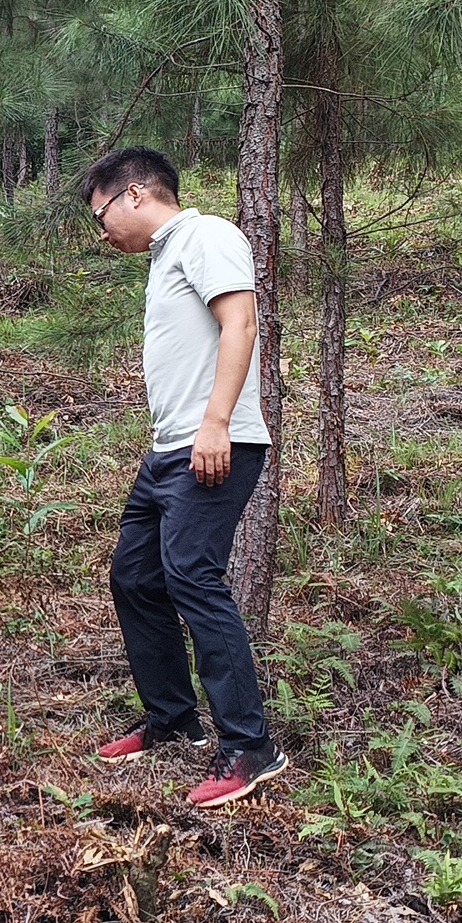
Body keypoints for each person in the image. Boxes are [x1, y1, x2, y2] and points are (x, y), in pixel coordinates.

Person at [82, 145, 287, 807]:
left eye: (101, 214)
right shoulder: (165, 257)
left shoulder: (206, 235)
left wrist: (217, 422)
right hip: (168, 451)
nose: (102, 231)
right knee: (135, 575)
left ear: (134, 195)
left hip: (212, 445)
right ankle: (172, 717)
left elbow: (241, 322)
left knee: (193, 579)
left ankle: (250, 747)